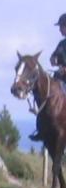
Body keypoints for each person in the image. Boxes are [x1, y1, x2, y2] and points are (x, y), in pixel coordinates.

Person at [29, 12, 66, 141]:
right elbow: (52, 57)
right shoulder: (61, 44)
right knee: (44, 94)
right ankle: (42, 128)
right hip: (59, 78)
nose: (60, 30)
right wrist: (53, 60)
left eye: (61, 26)